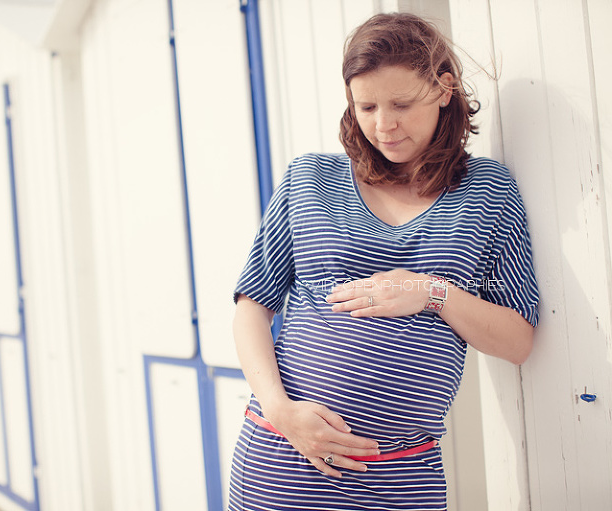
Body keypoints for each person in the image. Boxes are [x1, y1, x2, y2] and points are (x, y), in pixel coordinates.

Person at [228, 12, 539, 511]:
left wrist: (433, 292)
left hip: (401, 480)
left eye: (400, 103)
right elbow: (251, 309)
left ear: (444, 88)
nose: (383, 125)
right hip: (284, 460)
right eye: (366, 105)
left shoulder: (487, 192)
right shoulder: (309, 180)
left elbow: (518, 340)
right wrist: (281, 412)